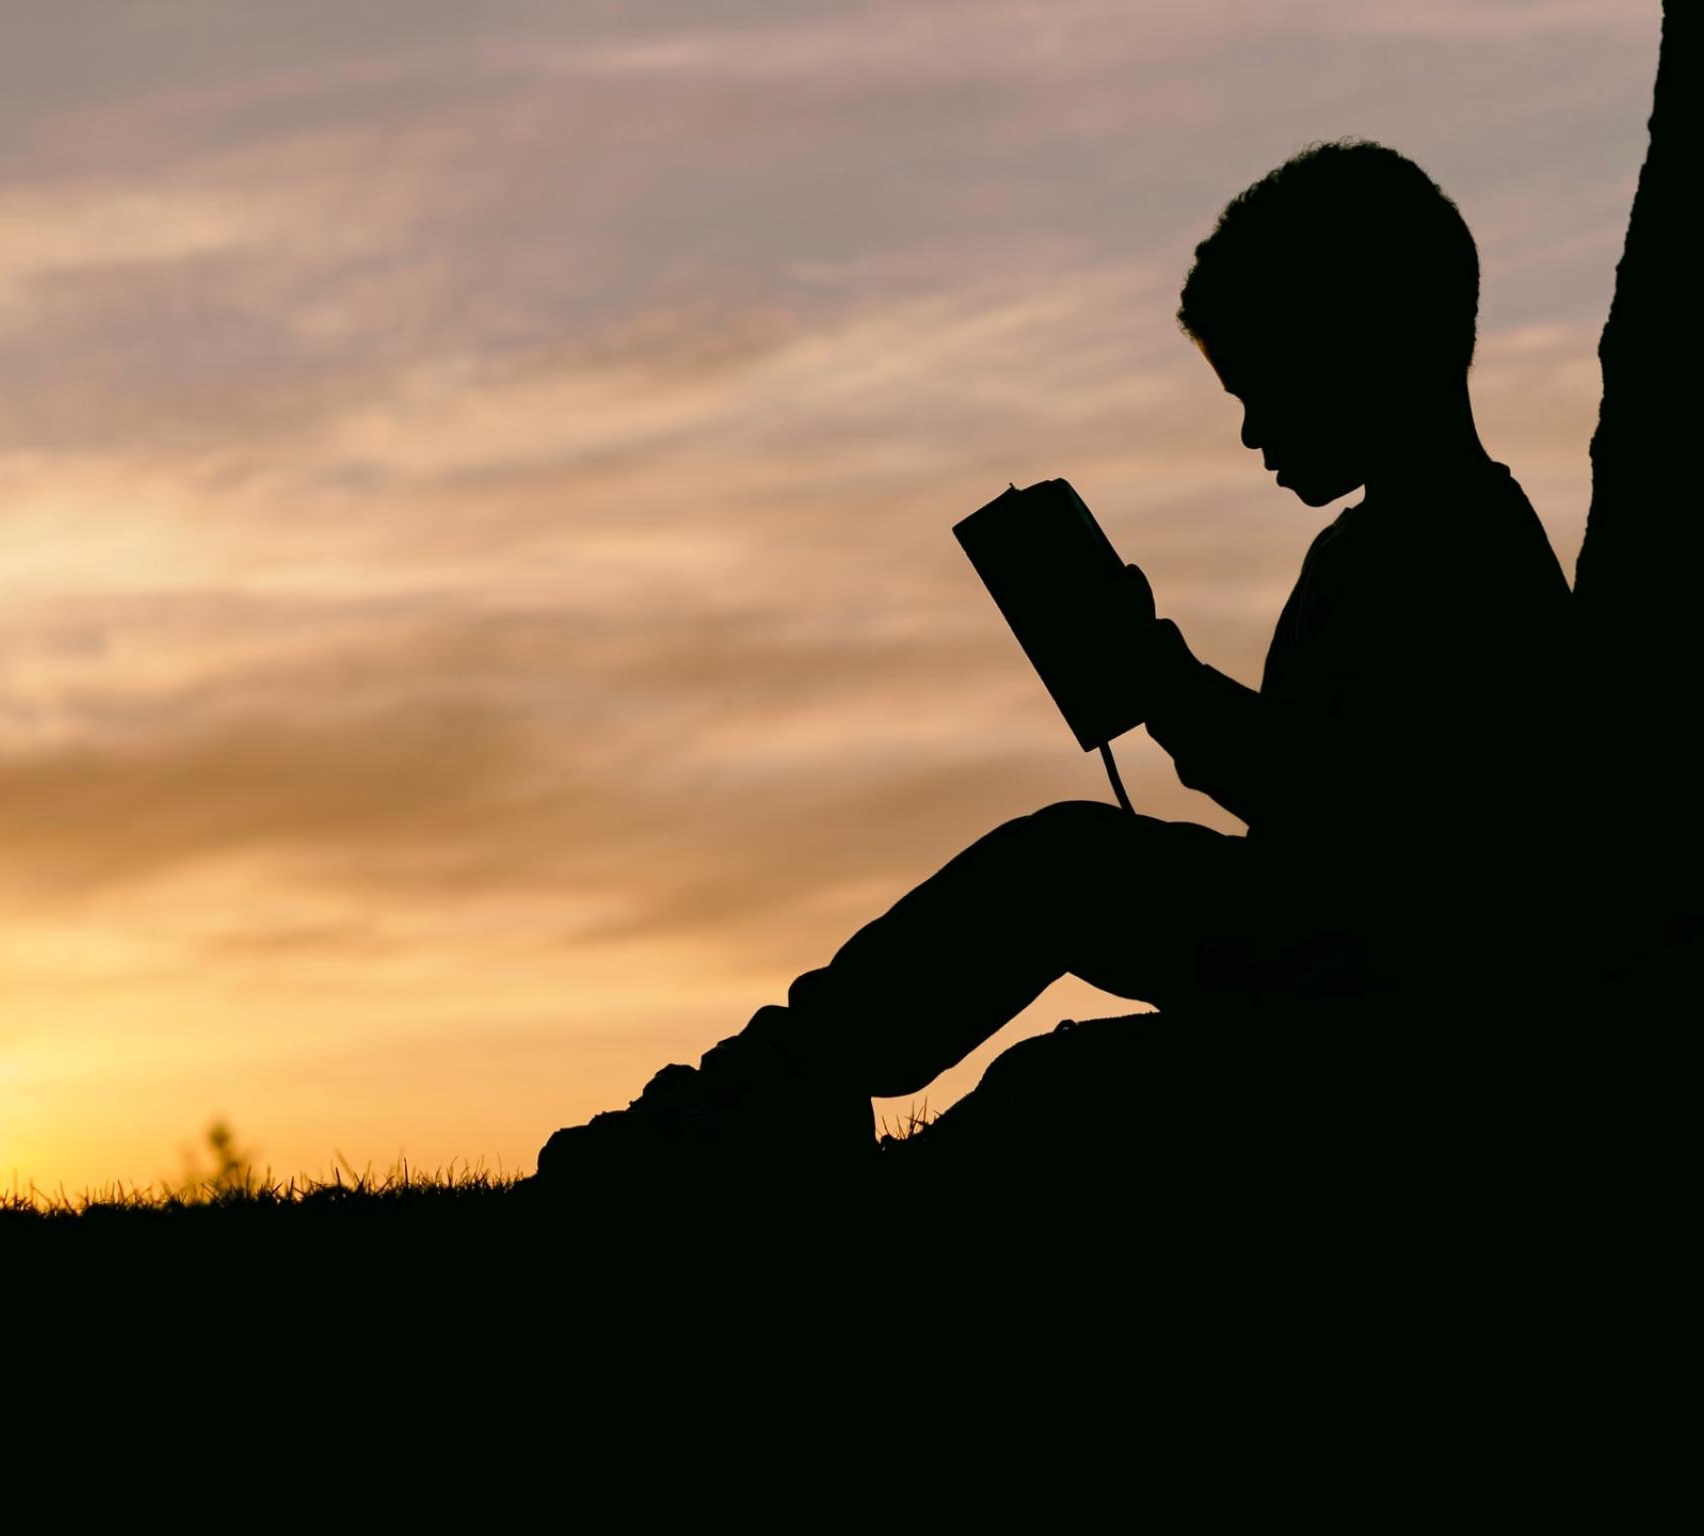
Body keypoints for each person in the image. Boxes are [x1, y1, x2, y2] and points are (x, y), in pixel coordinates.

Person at [534, 138, 1576, 1191]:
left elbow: (1363, 826)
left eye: (1266, 385)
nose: (1255, 433)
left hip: (1389, 1010)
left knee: (1050, 1081)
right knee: (1060, 864)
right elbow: (1313, 801)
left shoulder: (1460, 552)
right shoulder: (1385, 540)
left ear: (1360, 344)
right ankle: (763, 1095)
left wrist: (1157, 680)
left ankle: (751, 1130)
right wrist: (1157, 677)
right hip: (1323, 953)